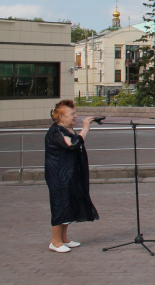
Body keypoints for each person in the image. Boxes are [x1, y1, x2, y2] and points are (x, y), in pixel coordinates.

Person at [45, 100, 99, 253]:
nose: (75, 116)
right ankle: (55, 242)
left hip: (69, 174)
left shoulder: (66, 129)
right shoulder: (56, 131)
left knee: (68, 204)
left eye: (75, 113)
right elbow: (73, 145)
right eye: (71, 114)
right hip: (58, 175)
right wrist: (85, 128)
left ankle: (63, 238)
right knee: (60, 205)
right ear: (61, 117)